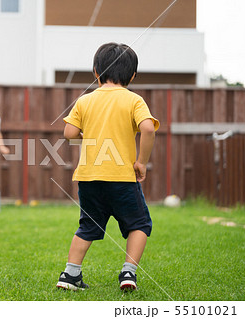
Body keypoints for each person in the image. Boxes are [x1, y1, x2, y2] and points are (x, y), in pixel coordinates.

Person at [56, 43, 160, 291]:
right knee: (139, 224)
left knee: (88, 226)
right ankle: (128, 272)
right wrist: (141, 162)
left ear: (95, 71)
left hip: (89, 178)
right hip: (122, 178)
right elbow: (147, 128)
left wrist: (88, 135)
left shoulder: (86, 100)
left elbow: (69, 132)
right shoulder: (134, 100)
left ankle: (70, 275)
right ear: (133, 75)